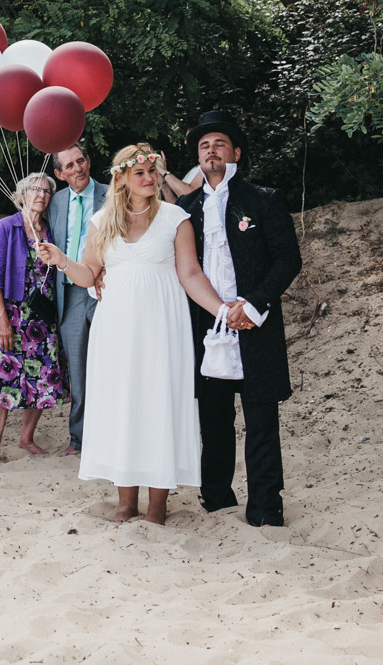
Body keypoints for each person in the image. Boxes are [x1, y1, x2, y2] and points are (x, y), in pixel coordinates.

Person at [41, 144, 231, 525]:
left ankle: (158, 505)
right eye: (140, 173)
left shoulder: (176, 218)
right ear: (122, 178)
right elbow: (88, 275)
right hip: (117, 330)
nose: (149, 179)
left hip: (163, 327)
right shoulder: (102, 221)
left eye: (153, 171)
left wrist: (223, 311)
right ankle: (125, 502)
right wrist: (62, 260)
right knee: (123, 405)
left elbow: (191, 274)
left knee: (159, 403)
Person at [175, 111, 303, 527]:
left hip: (255, 323)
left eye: (219, 144)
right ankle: (217, 501)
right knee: (213, 419)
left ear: (236, 153)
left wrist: (253, 304)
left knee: (261, 417)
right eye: (203, 146)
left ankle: (265, 507)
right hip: (207, 324)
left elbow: (288, 259)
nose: (211, 151)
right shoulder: (184, 208)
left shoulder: (263, 199)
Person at [0, 174, 65, 467]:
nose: (41, 194)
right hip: (13, 316)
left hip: (43, 318)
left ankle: (26, 437)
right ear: (21, 194)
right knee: (2, 383)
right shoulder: (6, 227)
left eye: (46, 191)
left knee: (43, 378)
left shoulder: (51, 231)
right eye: (35, 189)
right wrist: (1, 319)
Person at [46, 145, 107, 456]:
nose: (78, 168)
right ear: (60, 174)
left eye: (81, 160)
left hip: (106, 293)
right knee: (79, 371)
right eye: (69, 165)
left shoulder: (112, 196)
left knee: (110, 364)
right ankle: (79, 439)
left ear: (89, 161)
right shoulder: (56, 202)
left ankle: (112, 433)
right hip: (69, 293)